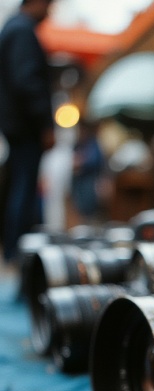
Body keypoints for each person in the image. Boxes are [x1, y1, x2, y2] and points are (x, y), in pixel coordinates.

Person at [0, 0, 55, 265]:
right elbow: (27, 81)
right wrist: (46, 123)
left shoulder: (12, 28)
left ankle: (15, 252)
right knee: (23, 189)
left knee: (17, 187)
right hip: (25, 127)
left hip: (15, 124)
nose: (50, 11)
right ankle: (19, 255)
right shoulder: (22, 31)